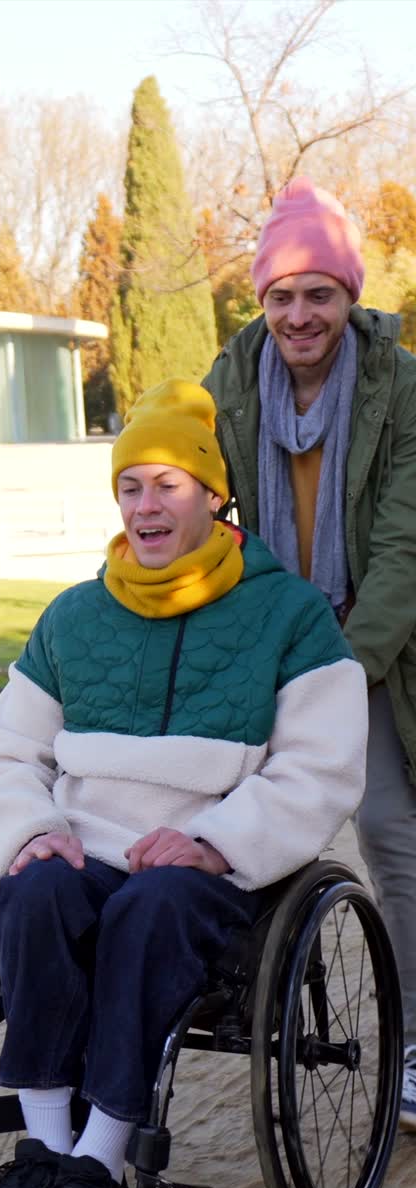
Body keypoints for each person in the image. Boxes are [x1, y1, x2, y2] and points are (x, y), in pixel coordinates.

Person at [0, 378, 367, 1188]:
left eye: (168, 485)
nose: (145, 506)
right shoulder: (74, 615)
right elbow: (7, 752)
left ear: (213, 495)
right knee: (29, 895)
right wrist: (31, 826)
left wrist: (219, 840)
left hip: (211, 866)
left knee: (150, 912)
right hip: (86, 850)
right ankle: (47, 1156)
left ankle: (99, 1167)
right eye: (130, 486)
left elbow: (322, 765)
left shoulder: (289, 616)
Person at [203, 175, 416, 1134]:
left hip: (373, 638)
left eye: (319, 294)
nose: (299, 314)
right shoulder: (228, 379)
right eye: (281, 295)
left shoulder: (399, 383)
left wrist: (340, 664)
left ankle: (415, 1039)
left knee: (387, 827)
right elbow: (205, 507)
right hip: (269, 631)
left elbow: (404, 545)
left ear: (349, 296)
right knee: (223, 806)